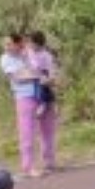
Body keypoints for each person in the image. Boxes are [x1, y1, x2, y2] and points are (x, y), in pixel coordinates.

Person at [0, 32, 45, 178]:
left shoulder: (26, 54)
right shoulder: (5, 59)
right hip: (24, 96)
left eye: (9, 44)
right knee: (27, 132)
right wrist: (34, 74)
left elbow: (38, 68)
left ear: (18, 44)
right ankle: (28, 166)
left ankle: (42, 162)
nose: (6, 47)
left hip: (38, 94)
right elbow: (18, 77)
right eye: (5, 44)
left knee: (40, 131)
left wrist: (29, 55)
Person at [25, 31, 61, 174]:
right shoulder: (28, 53)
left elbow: (51, 73)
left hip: (44, 83)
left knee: (48, 130)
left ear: (38, 43)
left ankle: (49, 160)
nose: (30, 45)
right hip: (33, 85)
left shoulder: (46, 55)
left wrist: (47, 79)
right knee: (35, 131)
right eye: (29, 43)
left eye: (33, 43)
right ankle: (33, 163)